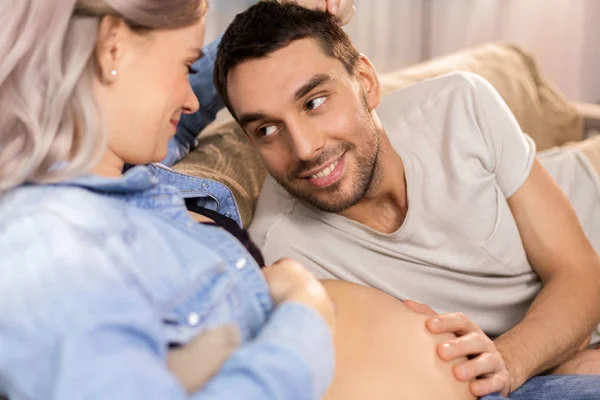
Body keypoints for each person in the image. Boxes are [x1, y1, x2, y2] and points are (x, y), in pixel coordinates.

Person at [0, 1, 493, 400]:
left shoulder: (125, 164)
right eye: (185, 64)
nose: (192, 101)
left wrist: (278, 11)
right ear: (111, 48)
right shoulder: (44, 242)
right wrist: (305, 307)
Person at [209, 1, 600, 398]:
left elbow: (580, 272)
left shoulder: (460, 105)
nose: (305, 149)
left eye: (314, 102)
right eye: (267, 129)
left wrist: (515, 360)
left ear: (366, 81)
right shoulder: (285, 254)